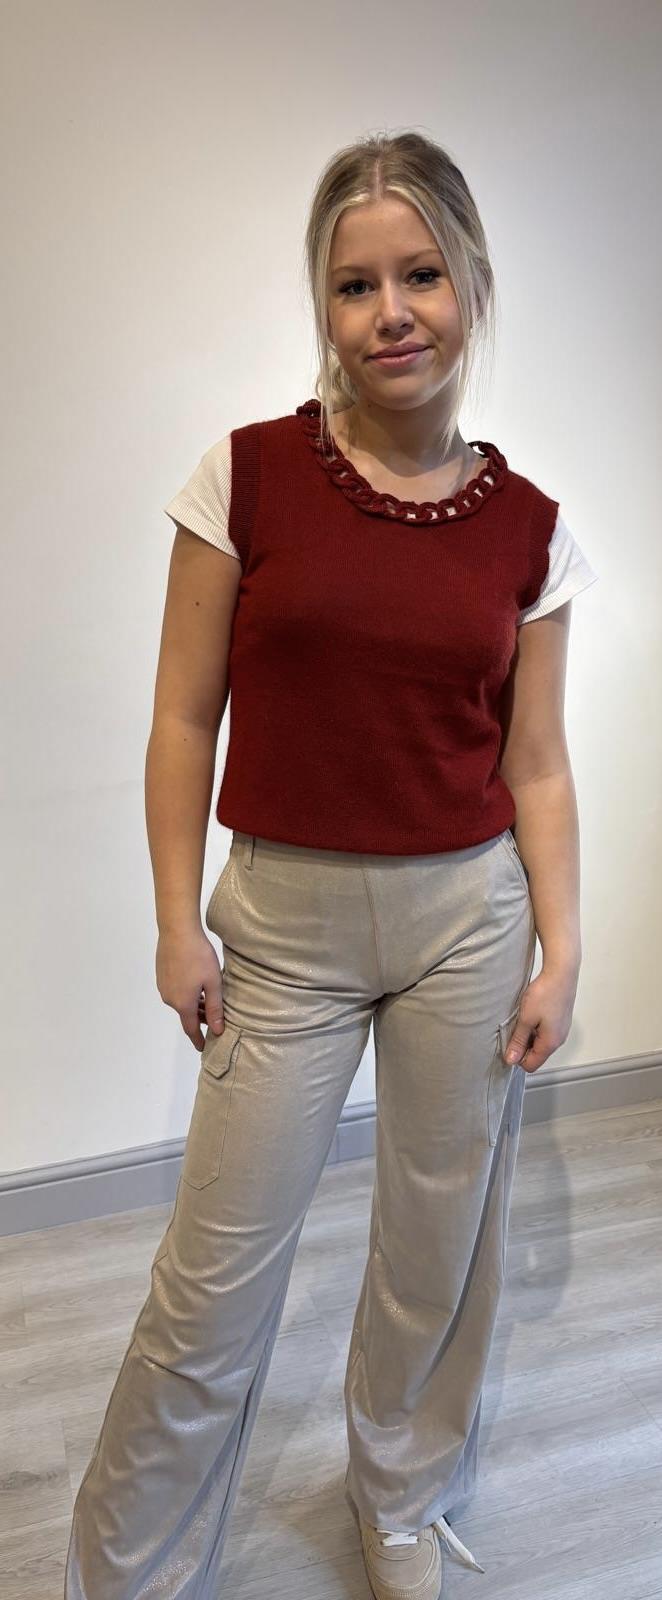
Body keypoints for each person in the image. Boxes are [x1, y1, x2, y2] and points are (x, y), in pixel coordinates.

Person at [64, 130, 598, 1600]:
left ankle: (400, 1501)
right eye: (356, 284)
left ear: (471, 283)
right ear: (323, 303)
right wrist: (176, 924)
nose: (391, 313)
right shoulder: (241, 478)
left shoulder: (532, 531)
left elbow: (537, 764)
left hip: (467, 923)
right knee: (211, 1288)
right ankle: (125, 1572)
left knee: (435, 1251)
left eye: (420, 274)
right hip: (282, 927)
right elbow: (183, 718)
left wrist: (562, 947)